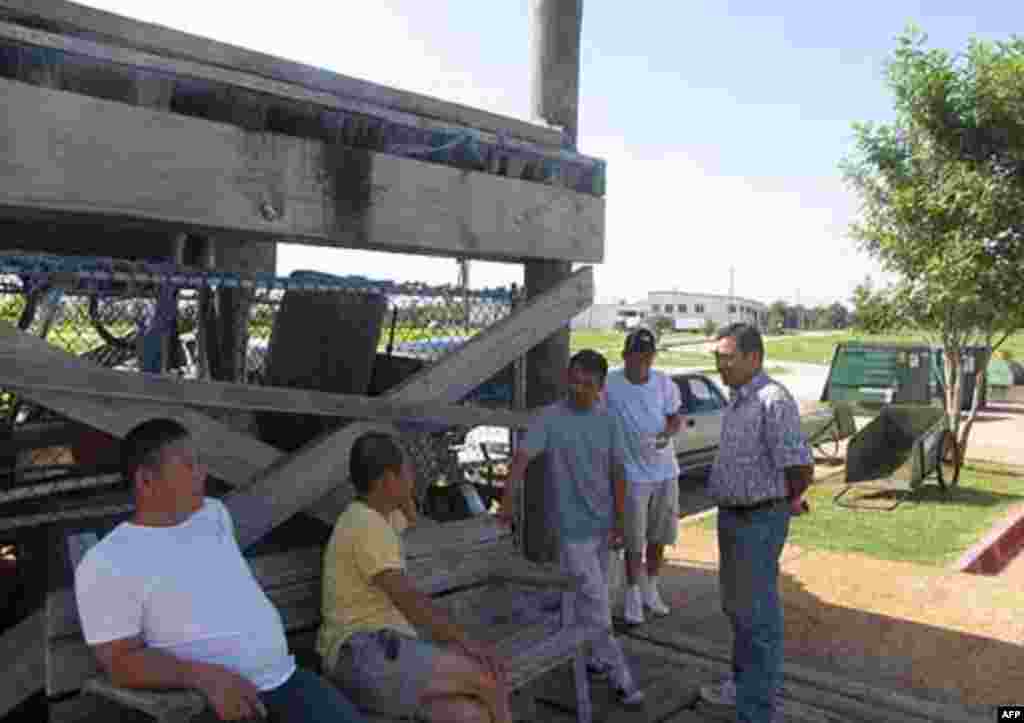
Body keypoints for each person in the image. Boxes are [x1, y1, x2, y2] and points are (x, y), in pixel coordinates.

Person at [74, 419, 363, 723]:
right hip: (210, 705)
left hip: (283, 679)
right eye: (189, 465)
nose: (203, 473)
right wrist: (204, 678)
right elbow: (120, 662)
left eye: (200, 462)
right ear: (146, 481)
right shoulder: (107, 561)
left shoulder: (213, 515)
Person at [318, 432, 512, 723]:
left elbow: (411, 520)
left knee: (470, 715)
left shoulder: (377, 515)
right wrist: (466, 642)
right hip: (363, 653)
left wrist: (402, 492)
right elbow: (409, 601)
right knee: (488, 679)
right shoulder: (366, 526)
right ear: (387, 480)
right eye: (407, 472)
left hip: (380, 653)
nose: (414, 478)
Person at [499, 349, 644, 707]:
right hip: (571, 531)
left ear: (600, 386)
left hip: (604, 527)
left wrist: (621, 524)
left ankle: (595, 658)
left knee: (597, 599)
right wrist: (506, 500)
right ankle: (621, 678)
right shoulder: (549, 418)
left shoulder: (609, 420)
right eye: (574, 380)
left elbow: (619, 472)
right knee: (595, 605)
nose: (578, 389)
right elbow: (522, 459)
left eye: (587, 384)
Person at [699, 323, 814, 723]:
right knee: (737, 609)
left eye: (727, 357)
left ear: (754, 358)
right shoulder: (738, 398)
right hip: (732, 518)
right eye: (717, 357)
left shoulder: (772, 400)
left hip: (759, 521)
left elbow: (799, 464)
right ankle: (742, 686)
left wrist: (788, 501)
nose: (720, 365)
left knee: (758, 617)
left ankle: (757, 710)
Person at [603, 327, 683, 625]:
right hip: (632, 475)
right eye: (635, 356)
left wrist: (667, 433)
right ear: (625, 356)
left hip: (665, 471)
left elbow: (675, 418)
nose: (641, 363)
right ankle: (633, 593)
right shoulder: (610, 383)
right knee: (633, 539)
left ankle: (651, 588)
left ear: (653, 357)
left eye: (647, 357)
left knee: (659, 536)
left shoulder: (664, 383)